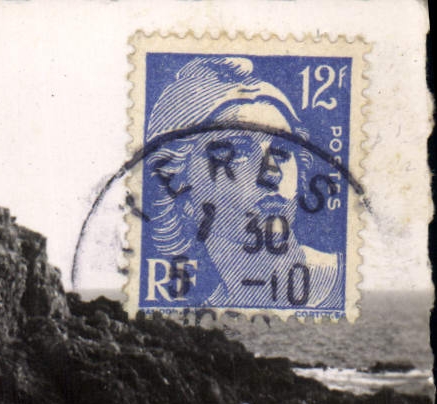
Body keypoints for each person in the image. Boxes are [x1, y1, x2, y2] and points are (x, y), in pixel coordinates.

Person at [141, 56, 342, 310]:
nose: (271, 173)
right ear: (178, 183)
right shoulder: (208, 307)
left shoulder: (339, 280)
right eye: (239, 152)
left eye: (282, 149)